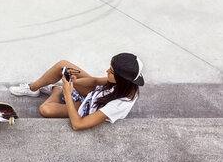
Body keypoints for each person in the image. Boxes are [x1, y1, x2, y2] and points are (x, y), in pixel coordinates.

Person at [9, 53, 144, 131]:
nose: (107, 71)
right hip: (94, 95)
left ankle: (56, 90)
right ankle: (33, 88)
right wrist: (75, 82)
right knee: (63, 64)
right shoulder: (123, 84)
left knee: (45, 109)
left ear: (121, 79)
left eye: (111, 71)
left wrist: (67, 94)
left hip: (87, 109)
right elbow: (95, 81)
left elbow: (78, 124)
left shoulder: (118, 105)